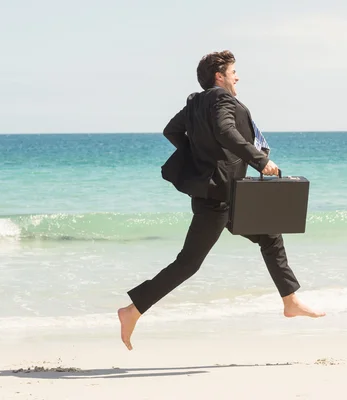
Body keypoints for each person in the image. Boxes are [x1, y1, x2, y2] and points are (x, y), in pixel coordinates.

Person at [117, 50, 325, 350]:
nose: (237, 77)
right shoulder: (220, 100)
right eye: (233, 71)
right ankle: (132, 310)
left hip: (228, 194)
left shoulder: (196, 102)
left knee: (270, 237)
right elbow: (226, 130)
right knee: (188, 264)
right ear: (219, 76)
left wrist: (202, 153)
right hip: (218, 198)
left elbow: (171, 130)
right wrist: (258, 161)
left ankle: (291, 301)